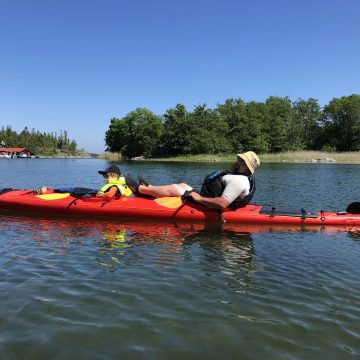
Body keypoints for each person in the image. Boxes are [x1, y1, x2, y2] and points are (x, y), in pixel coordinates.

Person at [126, 151, 260, 210]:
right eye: (239, 159)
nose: (237, 161)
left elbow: (222, 203)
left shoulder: (239, 181)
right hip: (208, 199)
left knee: (175, 188)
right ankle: (150, 188)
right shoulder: (239, 177)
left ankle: (140, 189)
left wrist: (199, 199)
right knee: (182, 185)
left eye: (241, 161)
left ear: (246, 167)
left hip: (209, 206)